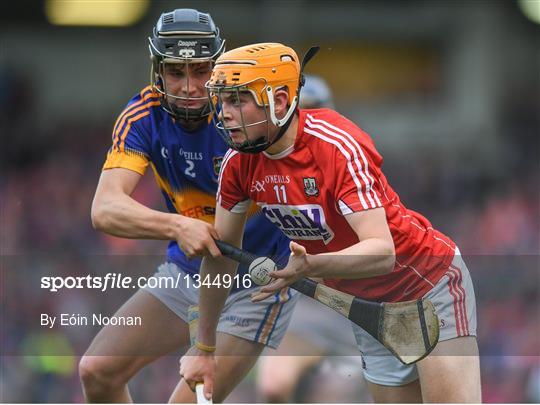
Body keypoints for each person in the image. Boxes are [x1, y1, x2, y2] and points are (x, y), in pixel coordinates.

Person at [180, 42, 481, 403]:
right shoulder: (237, 164)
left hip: (428, 286)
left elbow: (382, 252)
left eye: (238, 100)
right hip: (367, 308)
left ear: (278, 102)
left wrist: (310, 266)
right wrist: (204, 347)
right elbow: (221, 255)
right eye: (223, 101)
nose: (225, 114)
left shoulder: (336, 145)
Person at [79, 15, 297, 403]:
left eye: (200, 71)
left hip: (257, 285)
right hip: (188, 274)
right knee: (97, 371)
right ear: (157, 70)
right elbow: (105, 208)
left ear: (217, 67)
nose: (189, 87)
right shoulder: (143, 115)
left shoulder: (245, 113)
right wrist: (178, 226)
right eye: (175, 72)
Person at [255, 74, 366, 403]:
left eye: (316, 111)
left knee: (333, 398)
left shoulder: (349, 165)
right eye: (301, 112)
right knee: (273, 387)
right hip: (302, 307)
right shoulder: (264, 169)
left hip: (349, 309)